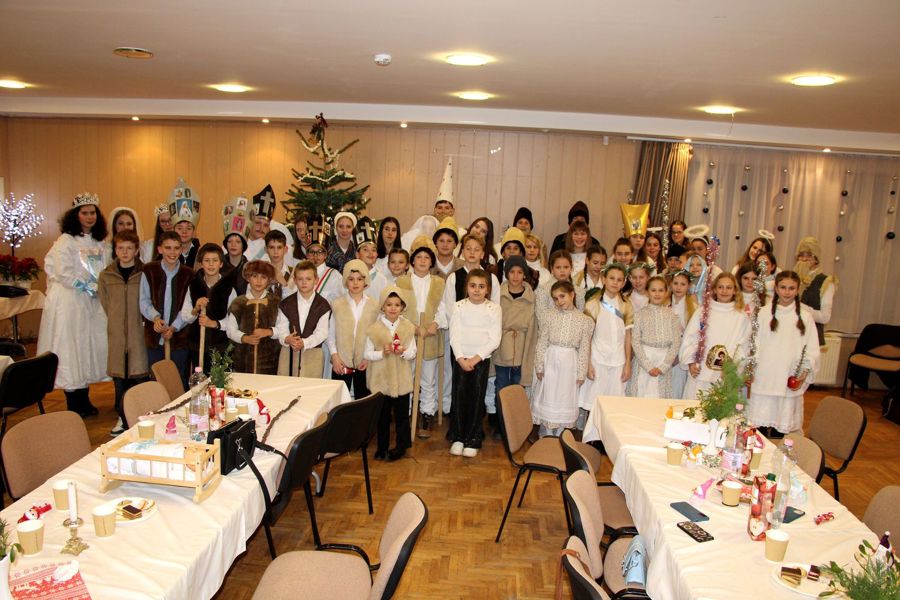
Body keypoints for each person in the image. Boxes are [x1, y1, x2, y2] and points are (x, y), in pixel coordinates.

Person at [747, 270, 820, 437]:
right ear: (776, 288)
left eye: (791, 288)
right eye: (783, 287)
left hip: (788, 381)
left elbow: (812, 350)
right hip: (764, 380)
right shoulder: (762, 313)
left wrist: (803, 373)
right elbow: (753, 345)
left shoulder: (806, 317)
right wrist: (750, 370)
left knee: (782, 433)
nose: (787, 292)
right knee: (758, 432)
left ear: (797, 290)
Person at [395, 237, 447, 438]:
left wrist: (435, 324)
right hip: (409, 334)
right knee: (408, 376)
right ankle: (408, 412)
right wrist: (413, 327)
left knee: (428, 378)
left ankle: (426, 413)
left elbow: (443, 307)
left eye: (427, 257)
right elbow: (396, 307)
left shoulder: (439, 283)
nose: (423, 261)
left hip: (430, 335)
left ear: (432, 261)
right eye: (419, 257)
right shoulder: (402, 281)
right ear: (412, 261)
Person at [98, 229, 148, 434]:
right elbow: (105, 303)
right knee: (120, 381)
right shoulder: (106, 275)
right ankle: (122, 418)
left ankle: (143, 417)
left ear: (136, 250)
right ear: (115, 250)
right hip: (118, 336)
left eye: (129, 248)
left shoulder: (145, 273)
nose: (125, 252)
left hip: (138, 335)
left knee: (140, 377)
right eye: (121, 248)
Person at [448, 269, 501, 458]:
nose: (477, 290)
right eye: (473, 286)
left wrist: (476, 358)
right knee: (459, 397)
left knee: (477, 398)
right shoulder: (458, 306)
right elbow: (454, 335)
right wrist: (461, 358)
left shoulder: (494, 308)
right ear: (466, 287)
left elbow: (494, 339)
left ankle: (473, 438)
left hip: (480, 360)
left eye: (481, 286)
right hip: (461, 359)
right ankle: (458, 437)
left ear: (487, 289)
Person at [534, 280, 592, 437]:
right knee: (549, 393)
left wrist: (581, 373)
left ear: (572, 295)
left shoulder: (584, 320)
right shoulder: (549, 316)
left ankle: (560, 432)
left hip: (569, 363)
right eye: (555, 298)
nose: (559, 301)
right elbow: (542, 342)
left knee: (564, 395)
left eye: (562, 296)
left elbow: (584, 348)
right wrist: (539, 365)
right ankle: (547, 431)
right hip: (551, 360)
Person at [365, 286, 417, 462]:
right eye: (389, 304)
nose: (393, 308)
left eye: (397, 304)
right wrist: (382, 353)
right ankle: (382, 447)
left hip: (401, 380)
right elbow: (367, 353)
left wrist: (403, 351)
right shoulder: (374, 329)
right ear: (382, 306)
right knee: (383, 416)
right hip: (381, 380)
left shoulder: (408, 327)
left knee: (402, 416)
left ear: (402, 307)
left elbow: (413, 352)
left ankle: (402, 446)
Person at [678, 273, 750, 400]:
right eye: (720, 287)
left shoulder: (741, 316)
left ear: (735, 291)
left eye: (728, 287)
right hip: (700, 373)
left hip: (725, 376)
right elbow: (690, 338)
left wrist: (732, 367)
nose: (724, 291)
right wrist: (691, 361)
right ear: (715, 290)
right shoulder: (702, 312)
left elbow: (744, 346)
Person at [579, 263, 633, 426]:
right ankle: (591, 436)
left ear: (624, 283)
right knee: (594, 401)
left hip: (618, 360)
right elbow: (587, 336)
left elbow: (628, 336)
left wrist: (628, 363)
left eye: (619, 280)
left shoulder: (626, 305)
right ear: (604, 279)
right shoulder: (593, 304)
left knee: (614, 403)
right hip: (597, 359)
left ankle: (608, 436)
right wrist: (588, 364)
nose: (615, 282)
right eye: (611, 278)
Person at [139, 231, 193, 386]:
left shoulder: (188, 274)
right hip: (155, 336)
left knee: (178, 379)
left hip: (179, 338)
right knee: (156, 378)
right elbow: (144, 300)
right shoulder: (149, 271)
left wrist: (174, 327)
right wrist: (156, 318)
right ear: (160, 249)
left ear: (181, 250)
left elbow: (188, 307)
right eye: (168, 248)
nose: (172, 252)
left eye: (176, 248)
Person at [179, 243, 238, 373]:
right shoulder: (193, 285)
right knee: (200, 380)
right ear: (201, 263)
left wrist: (214, 323)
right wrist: (195, 309)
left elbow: (233, 320)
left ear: (221, 264)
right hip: (197, 346)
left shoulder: (228, 288)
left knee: (219, 381)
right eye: (207, 260)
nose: (211, 264)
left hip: (220, 346)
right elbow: (185, 316)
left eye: (215, 260)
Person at [494, 256, 537, 430]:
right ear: (506, 273)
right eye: (512, 272)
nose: (516, 276)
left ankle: (515, 426)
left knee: (517, 387)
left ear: (525, 275)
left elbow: (533, 327)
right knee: (501, 385)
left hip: (521, 346)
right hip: (502, 346)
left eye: (520, 272)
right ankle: (501, 424)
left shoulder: (531, 297)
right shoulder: (498, 294)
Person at [328, 259, 379, 398]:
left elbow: (375, 336)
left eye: (359, 279)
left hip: (364, 360)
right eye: (351, 279)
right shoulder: (337, 304)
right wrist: (335, 356)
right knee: (339, 399)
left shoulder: (374, 306)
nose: (355, 283)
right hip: (341, 361)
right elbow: (331, 334)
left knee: (363, 399)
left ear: (365, 281)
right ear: (346, 281)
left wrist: (368, 358)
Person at [273, 260, 332, 378]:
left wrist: (304, 342)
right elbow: (281, 328)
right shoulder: (286, 304)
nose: (304, 282)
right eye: (300, 279)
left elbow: (322, 332)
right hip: (289, 352)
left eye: (308, 279)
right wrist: (287, 338)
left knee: (310, 387)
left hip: (313, 353)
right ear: (294, 280)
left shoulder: (323, 305)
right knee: (286, 385)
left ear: (316, 280)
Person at [221, 260, 281, 375]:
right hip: (243, 359)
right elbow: (230, 330)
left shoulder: (275, 302)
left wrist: (269, 331)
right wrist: (244, 338)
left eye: (263, 277)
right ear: (248, 278)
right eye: (254, 276)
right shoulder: (238, 302)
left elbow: (283, 328)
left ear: (269, 280)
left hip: (270, 360)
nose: (259, 281)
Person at [628, 276, 682, 398]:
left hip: (664, 360)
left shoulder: (672, 316)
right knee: (641, 394)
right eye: (653, 290)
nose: (657, 294)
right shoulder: (640, 315)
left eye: (660, 290)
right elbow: (635, 341)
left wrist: (664, 365)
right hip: (644, 360)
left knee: (659, 396)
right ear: (647, 292)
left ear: (666, 292)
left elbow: (676, 342)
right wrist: (647, 365)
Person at [794, 236, 837, 346]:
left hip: (811, 338)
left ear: (816, 258)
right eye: (801, 255)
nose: (804, 259)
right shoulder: (793, 278)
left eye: (808, 255)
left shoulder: (826, 282)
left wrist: (799, 306)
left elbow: (825, 317)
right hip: (792, 336)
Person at [669, 269, 696, 398]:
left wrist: (678, 355)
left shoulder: (694, 308)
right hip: (663, 355)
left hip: (680, 357)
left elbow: (693, 337)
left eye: (683, 284)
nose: (678, 287)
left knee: (676, 391)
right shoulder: (663, 304)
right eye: (675, 283)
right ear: (670, 284)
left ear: (689, 286)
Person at [262, 230, 294, 299]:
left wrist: (282, 281)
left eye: (279, 247)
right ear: (266, 249)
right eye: (271, 247)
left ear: (285, 249)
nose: (275, 252)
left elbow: (296, 301)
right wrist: (266, 286)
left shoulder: (294, 273)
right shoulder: (259, 273)